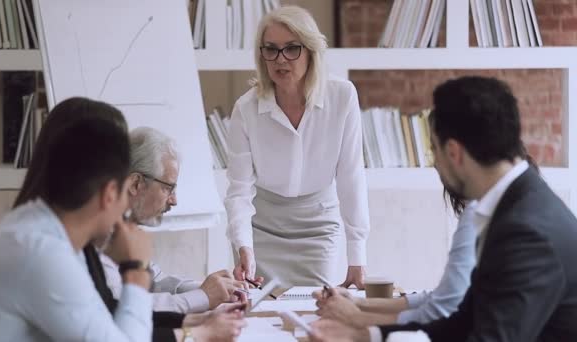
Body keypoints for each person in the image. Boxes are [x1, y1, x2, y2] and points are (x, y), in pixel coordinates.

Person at [310, 76, 577, 341]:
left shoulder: (525, 231)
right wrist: (365, 336)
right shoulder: (516, 204)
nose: (434, 163)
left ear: (454, 152)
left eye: (433, 150)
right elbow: (464, 321)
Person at [10, 99, 245, 342]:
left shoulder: (51, 229)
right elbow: (118, 329)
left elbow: (109, 313)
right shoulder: (43, 247)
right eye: (117, 166)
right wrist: (197, 333)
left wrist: (193, 320)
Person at [0, 97, 154, 341]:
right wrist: (136, 271)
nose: (125, 209)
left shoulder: (44, 233)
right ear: (109, 194)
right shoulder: (40, 252)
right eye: (124, 193)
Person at [225, 5, 370, 288]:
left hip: (317, 225)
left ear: (311, 51)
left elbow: (351, 177)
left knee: (315, 312)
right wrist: (243, 244)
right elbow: (239, 190)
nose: (281, 60)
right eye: (271, 49)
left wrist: (357, 256)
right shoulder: (246, 109)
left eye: (292, 48)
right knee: (260, 315)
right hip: (261, 228)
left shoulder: (342, 96)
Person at [314, 150, 541, 326]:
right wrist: (359, 303)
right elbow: (443, 297)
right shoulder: (523, 210)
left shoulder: (480, 210)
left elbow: (442, 310)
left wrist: (358, 318)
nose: (435, 164)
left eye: (435, 149)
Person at [98, 127, 247, 314]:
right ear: (136, 184)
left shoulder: (125, 228)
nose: (174, 201)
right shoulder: (100, 235)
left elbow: (156, 281)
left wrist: (214, 288)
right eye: (169, 188)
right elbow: (124, 306)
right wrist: (203, 296)